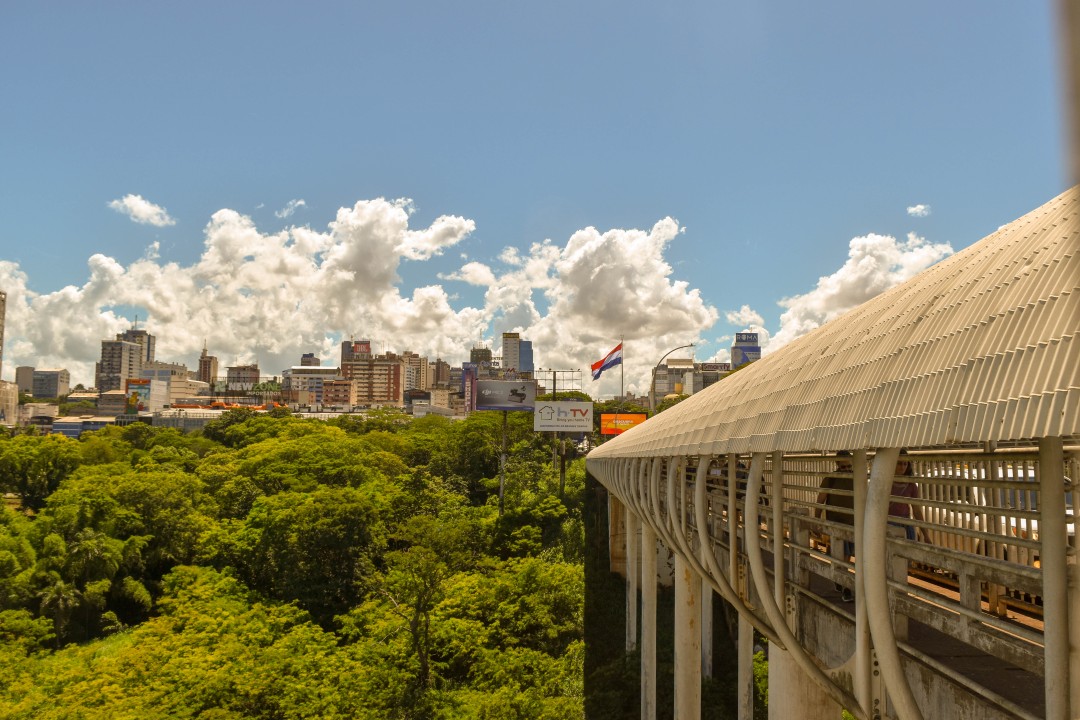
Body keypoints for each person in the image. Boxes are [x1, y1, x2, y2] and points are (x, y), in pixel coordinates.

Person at [817, 451, 855, 601]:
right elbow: (820, 499)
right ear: (837, 465)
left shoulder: (856, 478)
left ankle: (841, 581)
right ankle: (845, 585)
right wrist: (817, 519)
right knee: (841, 556)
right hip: (836, 524)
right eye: (843, 467)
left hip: (852, 524)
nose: (847, 470)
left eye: (849, 466)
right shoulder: (830, 479)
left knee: (847, 555)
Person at [889, 452, 924, 541]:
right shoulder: (886, 483)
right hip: (889, 525)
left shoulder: (911, 485)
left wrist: (926, 535)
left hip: (906, 525)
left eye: (905, 464)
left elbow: (916, 510)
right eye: (899, 463)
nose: (903, 467)